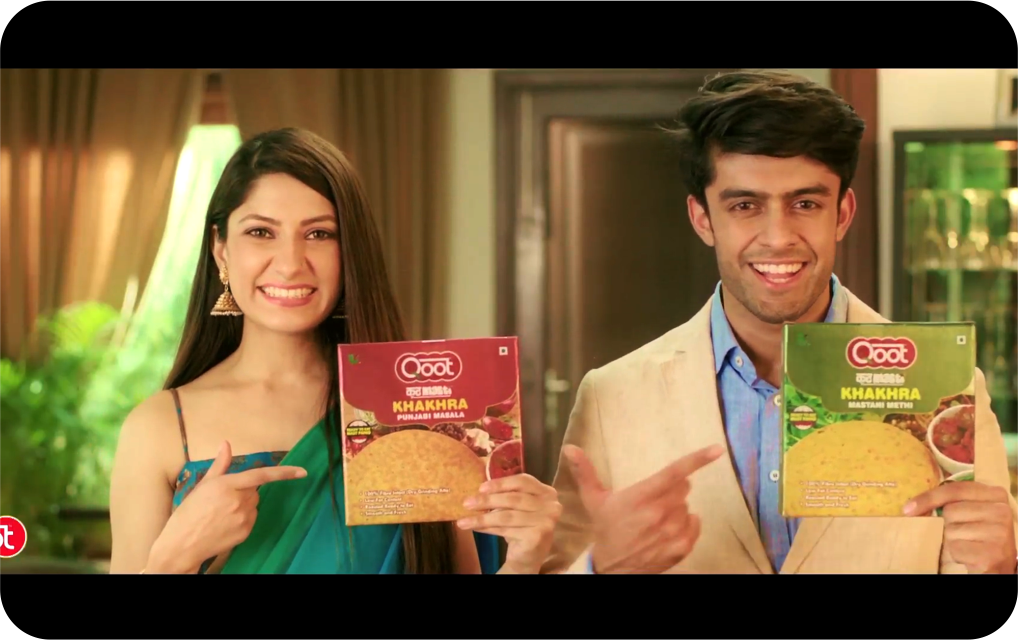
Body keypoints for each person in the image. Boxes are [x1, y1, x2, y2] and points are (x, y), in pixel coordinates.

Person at [541, 70, 1018, 575]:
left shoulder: (947, 394)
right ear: (702, 218)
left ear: (842, 214)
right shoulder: (612, 397)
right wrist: (598, 567)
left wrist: (1001, 567)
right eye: (745, 205)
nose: (777, 237)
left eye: (805, 204)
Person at [108, 127, 562, 574]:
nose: (290, 264)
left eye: (319, 234)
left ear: (351, 253)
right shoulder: (158, 428)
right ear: (221, 250)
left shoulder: (411, 410)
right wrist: (175, 558)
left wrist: (525, 560)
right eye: (261, 232)